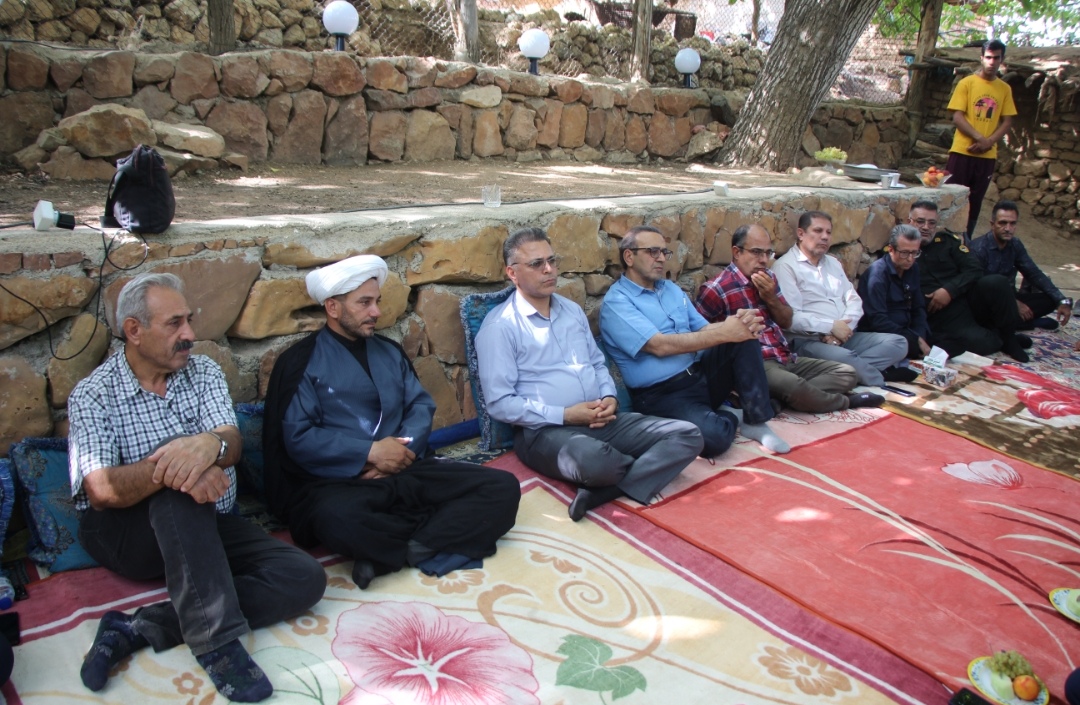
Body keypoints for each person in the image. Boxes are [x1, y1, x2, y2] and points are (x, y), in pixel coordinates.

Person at [68, 273, 326, 702]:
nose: (189, 334)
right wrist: (176, 464)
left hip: (207, 521)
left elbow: (232, 442)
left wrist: (209, 445)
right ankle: (218, 645)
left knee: (303, 578)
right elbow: (101, 490)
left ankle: (136, 627)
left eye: (188, 320)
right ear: (134, 331)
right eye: (174, 324)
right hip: (125, 533)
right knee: (177, 490)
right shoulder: (93, 394)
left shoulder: (203, 371)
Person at [263, 255, 520, 590]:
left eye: (377, 302)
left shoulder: (388, 352)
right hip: (342, 482)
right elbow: (299, 437)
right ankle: (432, 537)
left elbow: (419, 406)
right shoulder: (300, 363)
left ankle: (398, 551)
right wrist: (369, 454)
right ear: (333, 307)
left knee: (501, 488)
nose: (376, 312)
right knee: (335, 519)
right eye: (364, 303)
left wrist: (399, 454)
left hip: (404, 467)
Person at [476, 228, 703, 522]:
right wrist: (566, 415)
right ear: (512, 273)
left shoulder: (571, 311)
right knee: (596, 461)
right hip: (545, 431)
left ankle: (603, 492)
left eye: (551, 260)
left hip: (600, 419)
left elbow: (597, 364)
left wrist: (609, 395)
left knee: (688, 435)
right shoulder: (501, 327)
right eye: (536, 264)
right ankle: (637, 472)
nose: (548, 270)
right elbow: (500, 403)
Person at [599, 225, 790, 457]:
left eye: (664, 252)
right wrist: (724, 332)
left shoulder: (669, 289)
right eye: (652, 252)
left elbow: (705, 329)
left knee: (743, 332)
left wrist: (738, 324)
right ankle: (730, 415)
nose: (661, 258)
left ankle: (755, 419)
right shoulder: (617, 303)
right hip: (663, 395)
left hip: (699, 375)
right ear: (629, 256)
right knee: (713, 440)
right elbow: (660, 346)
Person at [695, 224, 883, 413]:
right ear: (736, 252)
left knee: (847, 373)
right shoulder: (716, 289)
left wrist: (770, 297)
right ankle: (846, 402)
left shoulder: (768, 277)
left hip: (784, 356)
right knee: (794, 386)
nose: (763, 260)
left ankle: (781, 401)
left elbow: (786, 321)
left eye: (768, 253)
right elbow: (700, 338)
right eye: (756, 252)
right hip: (756, 363)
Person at [774, 211, 912, 386]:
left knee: (899, 342)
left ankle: (846, 374)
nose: (824, 237)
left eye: (828, 232)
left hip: (843, 337)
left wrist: (842, 332)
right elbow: (790, 318)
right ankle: (878, 380)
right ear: (801, 234)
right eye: (818, 231)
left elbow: (854, 300)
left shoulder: (832, 263)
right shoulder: (786, 267)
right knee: (846, 357)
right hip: (807, 341)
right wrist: (831, 327)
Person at [907, 200, 1029, 361]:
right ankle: (999, 338)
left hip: (963, 300)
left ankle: (1009, 338)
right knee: (984, 343)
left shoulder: (946, 242)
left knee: (996, 282)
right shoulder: (903, 250)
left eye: (931, 223)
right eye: (920, 221)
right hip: (937, 314)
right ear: (909, 222)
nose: (925, 227)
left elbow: (974, 269)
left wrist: (949, 290)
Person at [946, 38, 1017, 239]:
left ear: (1002, 59)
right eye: (988, 57)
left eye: (996, 58)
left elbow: (1007, 121)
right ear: (981, 58)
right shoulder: (966, 83)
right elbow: (957, 116)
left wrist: (989, 142)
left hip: (987, 155)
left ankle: (965, 242)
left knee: (975, 201)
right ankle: (946, 238)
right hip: (962, 150)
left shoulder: (1004, 89)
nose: (992, 62)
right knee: (953, 196)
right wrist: (979, 137)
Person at [971, 200, 1073, 331]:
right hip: (987, 303)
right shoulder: (978, 248)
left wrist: (1061, 301)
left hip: (1011, 298)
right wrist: (1015, 304)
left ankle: (1017, 323)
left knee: (1050, 299)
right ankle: (1029, 323)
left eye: (1012, 223)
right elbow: (977, 288)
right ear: (992, 225)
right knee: (987, 317)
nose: (1008, 228)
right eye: (1002, 223)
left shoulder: (1015, 244)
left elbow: (1033, 273)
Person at [857, 225, 933, 360]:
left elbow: (918, 307)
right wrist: (914, 339)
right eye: (904, 253)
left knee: (954, 340)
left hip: (909, 329)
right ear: (891, 249)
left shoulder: (912, 268)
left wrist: (919, 335)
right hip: (886, 334)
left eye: (915, 253)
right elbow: (878, 321)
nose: (910, 259)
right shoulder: (878, 275)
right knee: (907, 346)